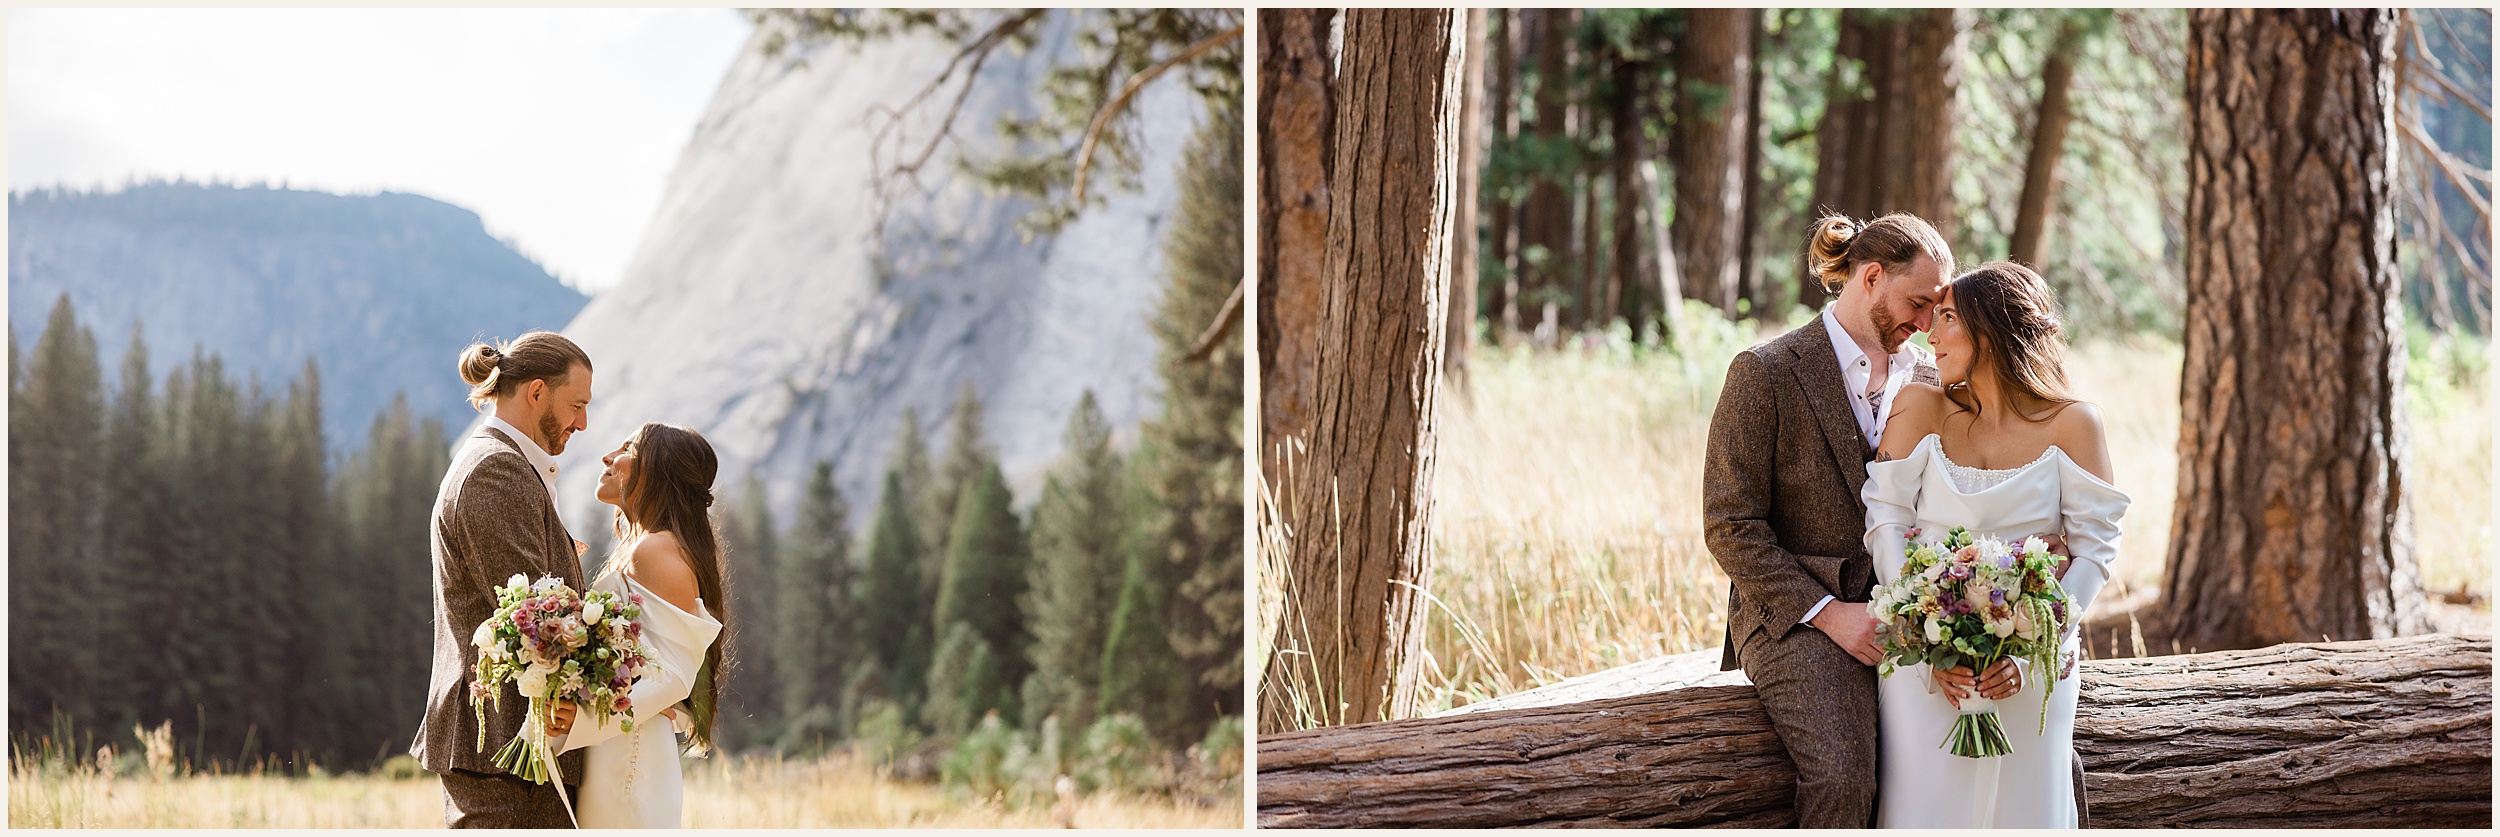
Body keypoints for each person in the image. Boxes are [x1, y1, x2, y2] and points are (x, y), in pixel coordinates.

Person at [1702, 212, 1951, 827]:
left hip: (1918, 612)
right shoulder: (1764, 373)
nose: (1926, 324)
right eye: (1918, 303)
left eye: (1934, 308)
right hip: (1798, 619)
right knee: (1843, 775)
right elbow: (1730, 523)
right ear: (1870, 277)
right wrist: (1831, 615)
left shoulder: (1931, 378)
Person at [1862, 261, 2126, 828]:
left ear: (1992, 330)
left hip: (2034, 668)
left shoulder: (2075, 424)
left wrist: (2035, 652)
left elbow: (2096, 548)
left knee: (2023, 810)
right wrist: (1924, 639)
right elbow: (1885, 523)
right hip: (1924, 668)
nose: (1931, 335)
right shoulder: (1919, 408)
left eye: (1949, 319)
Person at [412, 331, 596, 827]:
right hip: (504, 746)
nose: (582, 422)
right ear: (536, 392)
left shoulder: (506, 465)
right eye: (576, 404)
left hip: (512, 747)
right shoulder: (497, 470)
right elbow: (536, 619)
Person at [548, 422, 729, 828]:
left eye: (628, 447)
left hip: (628, 757)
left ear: (658, 469)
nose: (608, 456)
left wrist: (580, 721)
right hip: (618, 743)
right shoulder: (643, 545)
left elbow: (674, 677)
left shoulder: (657, 549)